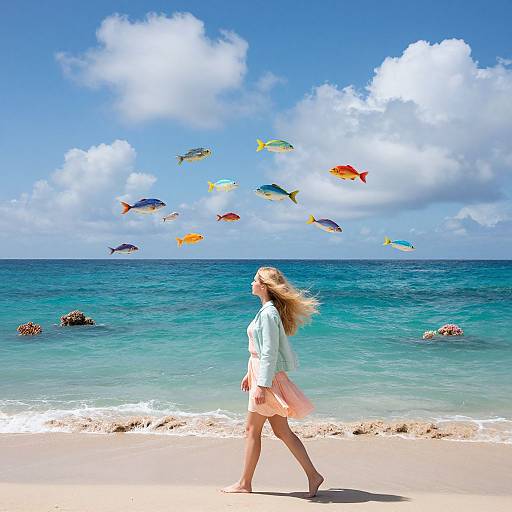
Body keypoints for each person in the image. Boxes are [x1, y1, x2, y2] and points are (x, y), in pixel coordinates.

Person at [221, 266, 324, 498]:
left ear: (264, 286)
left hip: (266, 379)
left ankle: (244, 483)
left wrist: (262, 385)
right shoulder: (268, 311)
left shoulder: (268, 314)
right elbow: (261, 350)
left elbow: (269, 351)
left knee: (251, 430)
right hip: (261, 373)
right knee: (282, 431)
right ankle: (313, 475)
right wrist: (250, 374)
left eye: (254, 280)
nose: (251, 283)